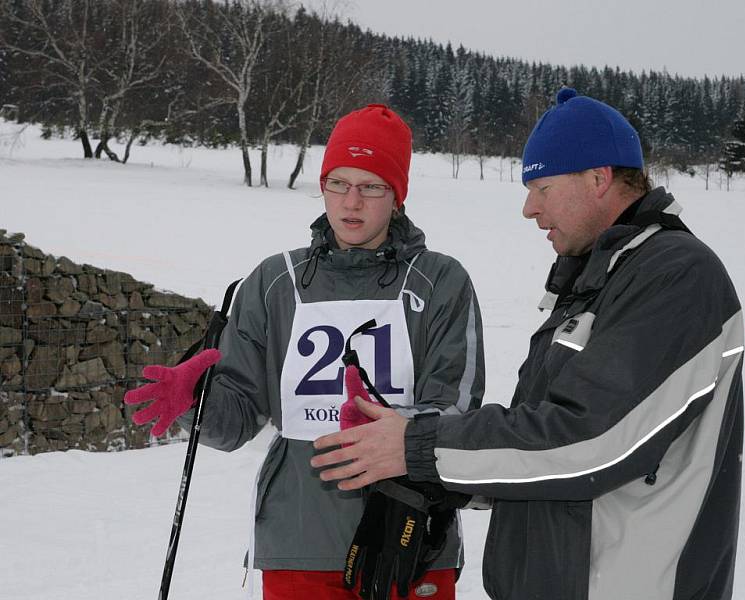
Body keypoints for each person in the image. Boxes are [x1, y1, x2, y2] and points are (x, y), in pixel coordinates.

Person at [311, 88, 744, 600]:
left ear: (598, 178)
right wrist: (431, 481)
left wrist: (418, 447)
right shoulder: (594, 280)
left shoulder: (676, 276)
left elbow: (592, 444)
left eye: (541, 186)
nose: (528, 208)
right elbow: (538, 448)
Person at [124, 104, 485, 600]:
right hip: (298, 540)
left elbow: (456, 412)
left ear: (397, 196)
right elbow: (237, 421)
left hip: (407, 537)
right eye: (338, 183)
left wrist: (390, 428)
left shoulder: (441, 281)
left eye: (371, 186)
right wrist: (195, 401)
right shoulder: (274, 282)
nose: (351, 201)